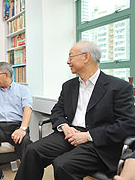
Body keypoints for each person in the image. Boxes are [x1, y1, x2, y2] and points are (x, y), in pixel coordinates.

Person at [15, 41, 135, 180]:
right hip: (69, 134)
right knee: (32, 150)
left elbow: (128, 124)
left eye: (71, 57)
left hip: (97, 142)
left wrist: (88, 136)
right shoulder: (69, 86)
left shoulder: (119, 87)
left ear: (86, 57)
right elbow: (57, 111)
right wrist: (64, 127)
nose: (68, 61)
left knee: (62, 165)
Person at [0, 61, 33, 180]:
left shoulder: (23, 90)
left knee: (24, 141)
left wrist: (22, 128)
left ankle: (27, 173)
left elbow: (27, 109)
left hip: (16, 125)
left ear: (6, 74)